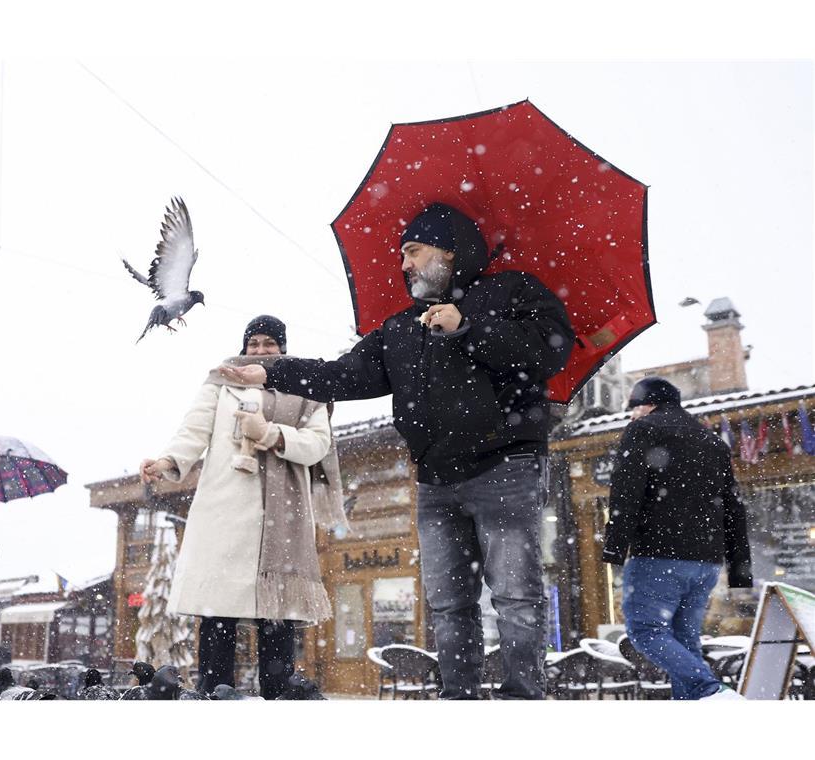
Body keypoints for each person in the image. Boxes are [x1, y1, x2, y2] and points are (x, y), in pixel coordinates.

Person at [220, 204, 575, 699]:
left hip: (506, 465)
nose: (403, 264)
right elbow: (342, 374)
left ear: (449, 250)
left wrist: (468, 327)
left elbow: (552, 348)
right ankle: (459, 700)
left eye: (413, 250)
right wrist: (273, 371)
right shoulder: (401, 328)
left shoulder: (511, 290)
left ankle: (522, 702)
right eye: (402, 255)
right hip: (434, 479)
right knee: (449, 602)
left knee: (516, 595)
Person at [140, 315, 346, 699]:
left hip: (282, 517)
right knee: (218, 614)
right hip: (226, 510)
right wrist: (167, 462)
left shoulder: (307, 389)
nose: (261, 350)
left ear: (283, 349)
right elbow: (194, 430)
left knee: (277, 618)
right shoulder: (221, 380)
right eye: (254, 343)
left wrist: (270, 434)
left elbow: (318, 444)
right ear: (244, 346)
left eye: (270, 343)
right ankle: (216, 696)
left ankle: (276, 697)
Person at [602, 377, 753, 700]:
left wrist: (614, 548)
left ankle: (712, 690)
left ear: (647, 403)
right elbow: (733, 506)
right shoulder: (713, 442)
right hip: (706, 563)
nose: (631, 415)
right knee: (685, 641)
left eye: (634, 407)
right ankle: (696, 718)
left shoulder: (643, 430)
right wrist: (740, 568)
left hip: (658, 555)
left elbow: (625, 493)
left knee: (645, 631)